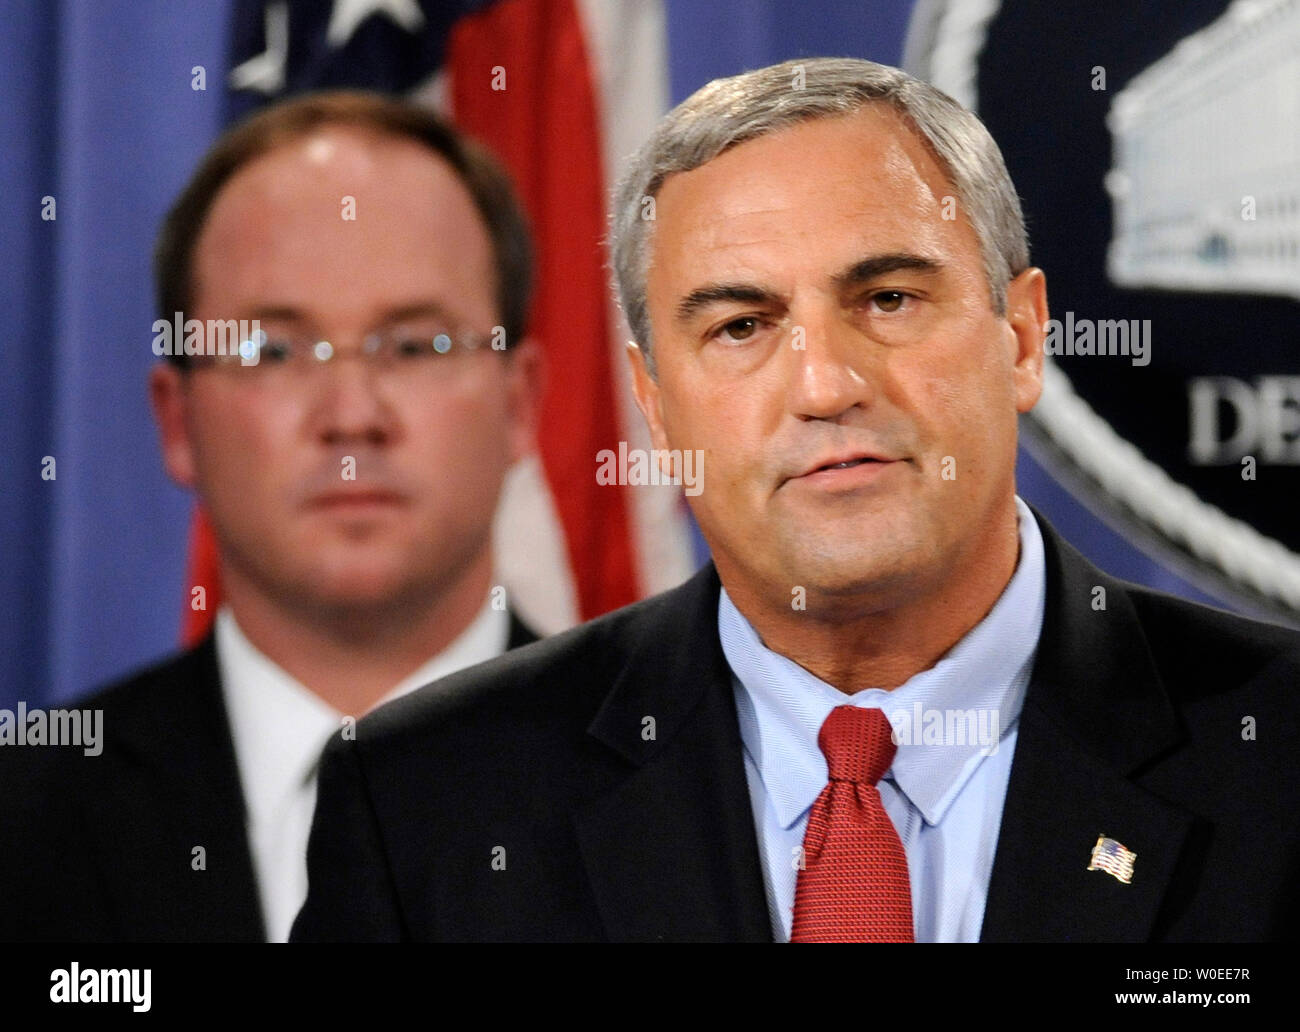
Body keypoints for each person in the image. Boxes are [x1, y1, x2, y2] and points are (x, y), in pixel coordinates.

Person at [290, 58, 1300, 943]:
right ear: (654, 402)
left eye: (889, 300)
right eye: (739, 326)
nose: (825, 385)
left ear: (1022, 338)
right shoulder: (431, 805)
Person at [0, 92, 543, 943]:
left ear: (521, 405)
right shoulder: (23, 819)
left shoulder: (698, 791)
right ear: (177, 421)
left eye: (415, 344)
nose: (353, 414)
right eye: (273, 350)